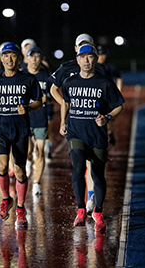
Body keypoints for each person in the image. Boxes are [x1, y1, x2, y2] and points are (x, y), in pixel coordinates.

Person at [59, 44, 125, 231]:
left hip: (97, 135)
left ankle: (97, 211)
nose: (86, 61)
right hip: (76, 133)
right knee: (79, 167)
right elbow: (65, 101)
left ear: (95, 59)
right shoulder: (69, 82)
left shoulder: (104, 82)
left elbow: (120, 106)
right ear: (77, 59)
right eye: (83, 57)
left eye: (90, 57)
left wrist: (108, 117)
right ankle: (81, 209)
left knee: (98, 175)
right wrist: (63, 122)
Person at [49, 33, 109, 216]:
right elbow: (53, 89)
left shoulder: (99, 70)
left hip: (94, 126)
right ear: (76, 50)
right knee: (79, 164)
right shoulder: (66, 68)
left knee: (94, 167)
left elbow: (106, 97)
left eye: (88, 47)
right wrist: (65, 105)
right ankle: (82, 205)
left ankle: (91, 197)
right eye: (80, 47)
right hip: (75, 123)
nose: (85, 55)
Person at [0, 42, 43, 228]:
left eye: (13, 55)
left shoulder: (28, 80)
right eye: (6, 55)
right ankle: (6, 199)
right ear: (1, 58)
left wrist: (27, 107)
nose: (9, 59)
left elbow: (39, 102)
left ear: (19, 58)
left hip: (21, 130)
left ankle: (20, 207)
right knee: (2, 165)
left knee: (20, 170)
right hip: (1, 129)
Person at [23, 46, 49, 196]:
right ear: (26, 58)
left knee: (39, 152)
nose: (34, 59)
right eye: (31, 56)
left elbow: (55, 96)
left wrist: (49, 98)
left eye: (37, 56)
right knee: (27, 151)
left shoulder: (46, 77)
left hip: (40, 119)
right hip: (24, 119)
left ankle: (36, 183)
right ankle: (27, 162)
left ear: (41, 58)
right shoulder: (21, 76)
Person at [96, 45, 123, 146]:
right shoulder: (92, 67)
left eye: (103, 54)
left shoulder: (111, 67)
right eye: (99, 55)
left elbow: (119, 77)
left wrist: (118, 91)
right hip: (97, 95)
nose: (101, 57)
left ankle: (110, 132)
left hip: (108, 96)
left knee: (109, 115)